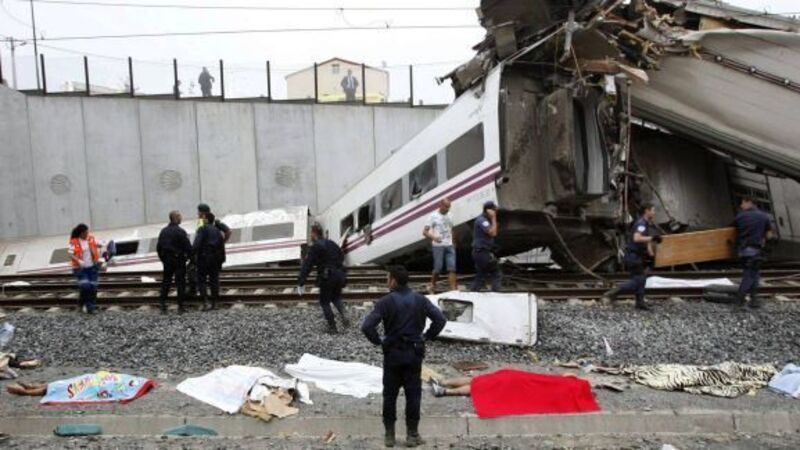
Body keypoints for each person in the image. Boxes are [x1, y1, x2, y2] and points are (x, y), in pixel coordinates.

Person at [361, 266, 447, 448]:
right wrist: (427, 336)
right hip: (414, 353)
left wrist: (379, 341)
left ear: (393, 280)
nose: (387, 282)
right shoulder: (421, 300)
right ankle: (412, 435)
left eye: (388, 278)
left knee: (389, 395)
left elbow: (367, 326)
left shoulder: (385, 302)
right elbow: (440, 320)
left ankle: (390, 436)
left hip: (392, 354)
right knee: (413, 394)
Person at [603, 203, 662, 310]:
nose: (654, 213)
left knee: (641, 279)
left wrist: (651, 255)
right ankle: (613, 293)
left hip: (636, 256)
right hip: (633, 256)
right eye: (653, 210)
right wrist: (653, 238)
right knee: (638, 280)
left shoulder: (645, 223)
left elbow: (647, 241)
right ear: (647, 211)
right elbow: (637, 238)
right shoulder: (641, 223)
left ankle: (640, 303)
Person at [297, 223, 349, 333]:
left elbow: (308, 265)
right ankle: (344, 313)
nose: (310, 236)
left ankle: (332, 327)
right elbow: (341, 256)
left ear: (314, 233)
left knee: (324, 302)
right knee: (336, 297)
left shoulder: (316, 246)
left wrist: (301, 281)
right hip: (339, 274)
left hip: (327, 276)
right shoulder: (332, 243)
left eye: (311, 233)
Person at [734, 196, 774, 309]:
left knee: (754, 274)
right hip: (755, 250)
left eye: (743, 203)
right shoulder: (764, 216)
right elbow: (769, 235)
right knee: (750, 275)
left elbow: (732, 230)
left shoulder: (739, 216)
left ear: (749, 202)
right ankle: (739, 300)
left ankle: (754, 300)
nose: (741, 205)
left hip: (743, 251)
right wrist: (763, 237)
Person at [188, 203, 231, 297]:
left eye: (199, 212)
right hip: (213, 254)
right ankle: (214, 299)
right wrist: (221, 244)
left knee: (201, 277)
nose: (198, 214)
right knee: (213, 278)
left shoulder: (212, 222)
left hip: (205, 254)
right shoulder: (205, 221)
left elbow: (228, 231)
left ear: (203, 213)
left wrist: (222, 242)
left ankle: (203, 298)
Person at [156, 210, 193, 314]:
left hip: (167, 260)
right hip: (179, 260)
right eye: (180, 216)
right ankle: (180, 306)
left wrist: (163, 259)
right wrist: (191, 258)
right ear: (176, 218)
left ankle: (162, 305)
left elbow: (159, 247)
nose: (181, 218)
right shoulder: (180, 231)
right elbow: (187, 247)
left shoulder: (164, 231)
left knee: (166, 281)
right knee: (180, 282)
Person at [67, 223, 104, 314]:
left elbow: (96, 245)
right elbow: (70, 254)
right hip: (80, 269)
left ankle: (87, 306)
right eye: (85, 233)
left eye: (88, 232)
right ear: (80, 233)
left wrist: (101, 244)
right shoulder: (74, 242)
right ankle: (88, 307)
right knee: (86, 286)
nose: (87, 234)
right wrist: (79, 260)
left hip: (92, 267)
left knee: (93, 287)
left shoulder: (91, 238)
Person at [423, 198, 457, 293]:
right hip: (438, 246)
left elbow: (451, 229)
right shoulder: (433, 216)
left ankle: (453, 289)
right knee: (438, 268)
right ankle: (432, 285)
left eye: (449, 207)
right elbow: (425, 232)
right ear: (440, 205)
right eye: (446, 207)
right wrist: (434, 237)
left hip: (449, 244)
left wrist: (454, 242)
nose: (447, 209)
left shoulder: (450, 215)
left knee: (452, 268)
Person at [193, 212, 225, 311]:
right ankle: (215, 303)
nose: (201, 219)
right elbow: (221, 246)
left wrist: (192, 255)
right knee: (214, 280)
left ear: (206, 219)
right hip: (215, 258)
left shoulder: (202, 229)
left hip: (203, 258)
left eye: (203, 218)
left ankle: (205, 302)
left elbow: (197, 244)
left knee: (202, 280)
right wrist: (222, 260)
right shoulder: (217, 231)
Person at [470, 201, 501, 292]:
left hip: (482, 251)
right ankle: (495, 293)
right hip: (481, 252)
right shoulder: (482, 220)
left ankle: (473, 292)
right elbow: (493, 233)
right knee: (496, 272)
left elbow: (494, 233)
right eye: (494, 210)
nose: (495, 212)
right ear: (488, 210)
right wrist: (494, 218)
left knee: (481, 274)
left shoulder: (485, 220)